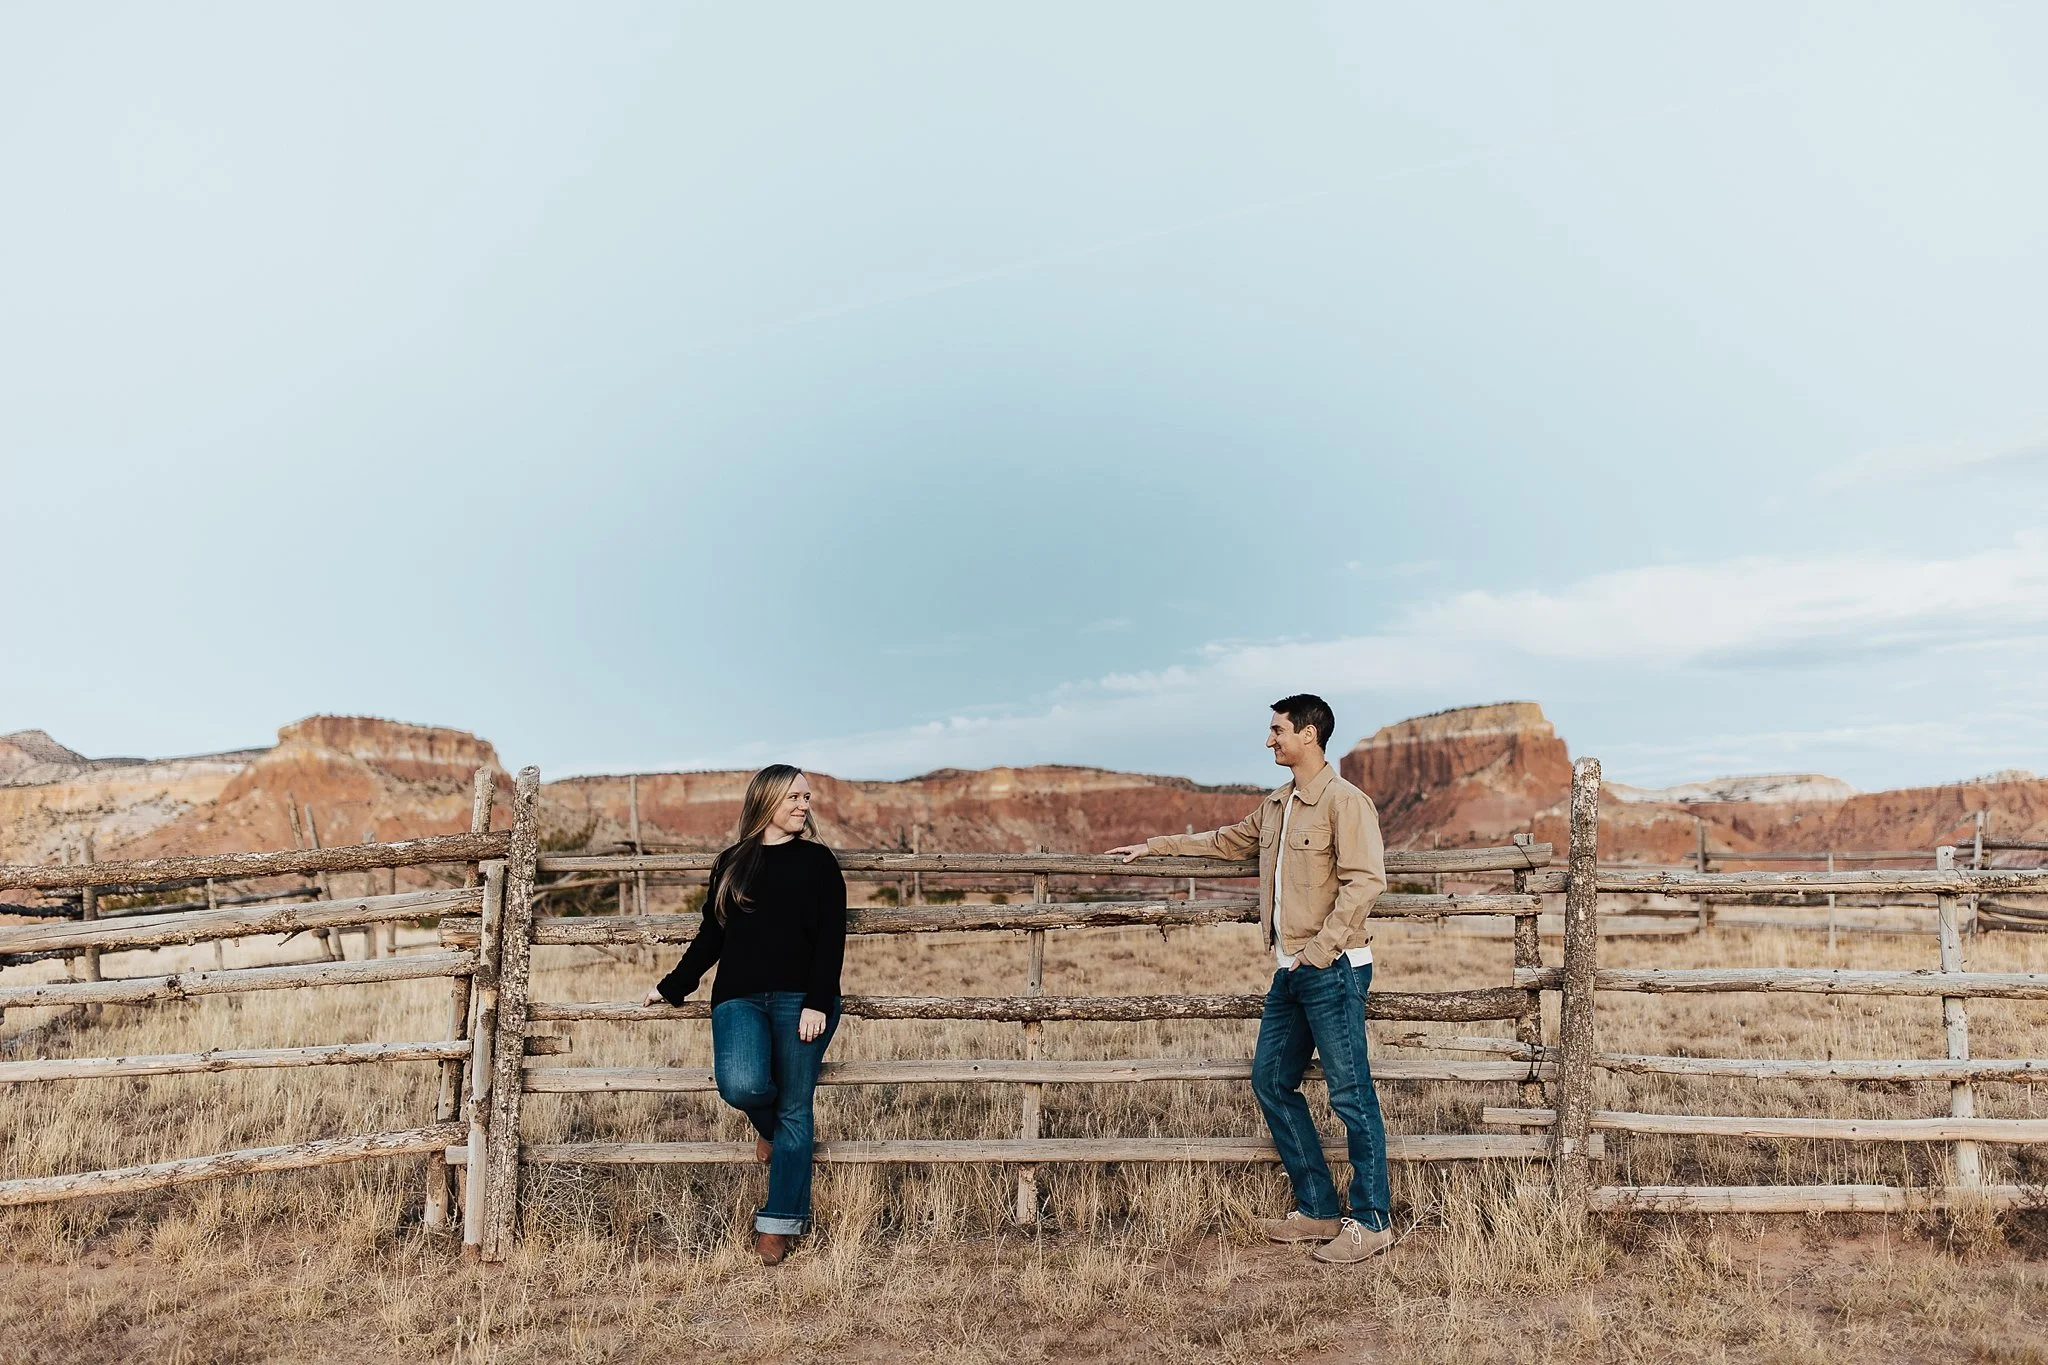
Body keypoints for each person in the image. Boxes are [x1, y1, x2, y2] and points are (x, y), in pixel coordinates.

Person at [1106, 694, 1393, 1264]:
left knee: (1351, 1095)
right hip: (1289, 971)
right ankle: (1317, 1210)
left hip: (1331, 968)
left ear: (1309, 734)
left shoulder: (1345, 803)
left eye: (1277, 730)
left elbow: (1366, 883)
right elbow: (1222, 841)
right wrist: (1156, 846)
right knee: (1269, 1081)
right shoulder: (1276, 805)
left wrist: (1318, 952)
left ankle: (1372, 1221)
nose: (1269, 741)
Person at [645, 764, 847, 1265]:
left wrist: (819, 1001)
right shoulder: (732, 863)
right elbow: (711, 935)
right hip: (738, 996)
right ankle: (770, 1132)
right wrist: (672, 985)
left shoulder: (819, 863)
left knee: (798, 1109)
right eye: (795, 797)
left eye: (808, 797)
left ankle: (778, 1223)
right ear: (767, 800)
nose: (805, 805)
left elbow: (830, 940)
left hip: (803, 1000)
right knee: (742, 1086)